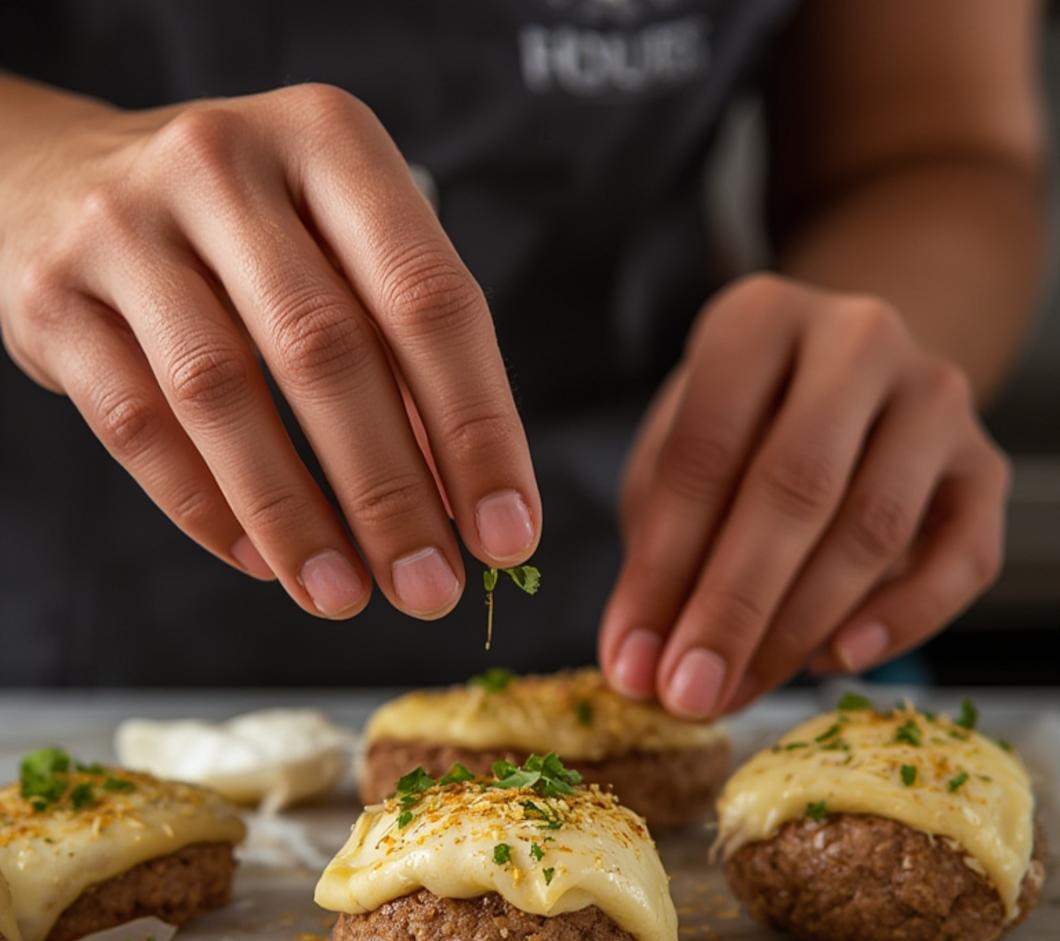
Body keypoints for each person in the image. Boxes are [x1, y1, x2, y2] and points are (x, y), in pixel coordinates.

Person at [0, 0, 1045, 711]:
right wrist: (33, 170)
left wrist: (875, 329)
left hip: (663, 624)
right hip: (49, 639)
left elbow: (936, 147)